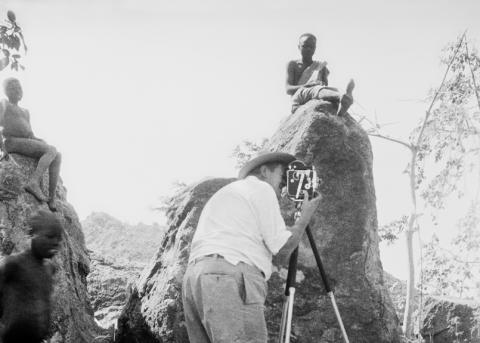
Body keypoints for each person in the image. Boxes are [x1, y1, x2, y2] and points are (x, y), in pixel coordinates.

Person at [182, 152, 322, 343]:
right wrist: (305, 216)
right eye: (283, 173)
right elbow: (281, 250)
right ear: (264, 171)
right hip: (228, 276)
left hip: (195, 278)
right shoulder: (262, 189)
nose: (285, 181)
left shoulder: (230, 192)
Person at [0, 209, 63, 343]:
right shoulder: (13, 265)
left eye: (59, 238)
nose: (56, 242)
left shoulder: (49, 269)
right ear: (32, 234)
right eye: (50, 236)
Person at [0, 77, 62, 211]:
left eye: (18, 87)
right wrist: (2, 148)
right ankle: (33, 182)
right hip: (11, 141)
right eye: (12, 87)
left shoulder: (25, 112)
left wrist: (39, 141)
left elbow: (30, 135)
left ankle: (51, 199)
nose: (16, 89)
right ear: (6, 90)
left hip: (24, 141)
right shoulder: (4, 104)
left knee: (57, 154)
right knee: (51, 150)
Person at [286, 33, 354, 115]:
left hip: (316, 93)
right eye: (305, 46)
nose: (308, 49)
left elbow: (325, 86)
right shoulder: (293, 64)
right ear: (299, 47)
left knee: (328, 90)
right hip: (299, 97)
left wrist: (320, 84)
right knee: (312, 90)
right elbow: (288, 89)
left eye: (311, 47)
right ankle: (342, 97)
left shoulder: (321, 66)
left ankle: (342, 106)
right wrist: (306, 86)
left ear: (315, 48)